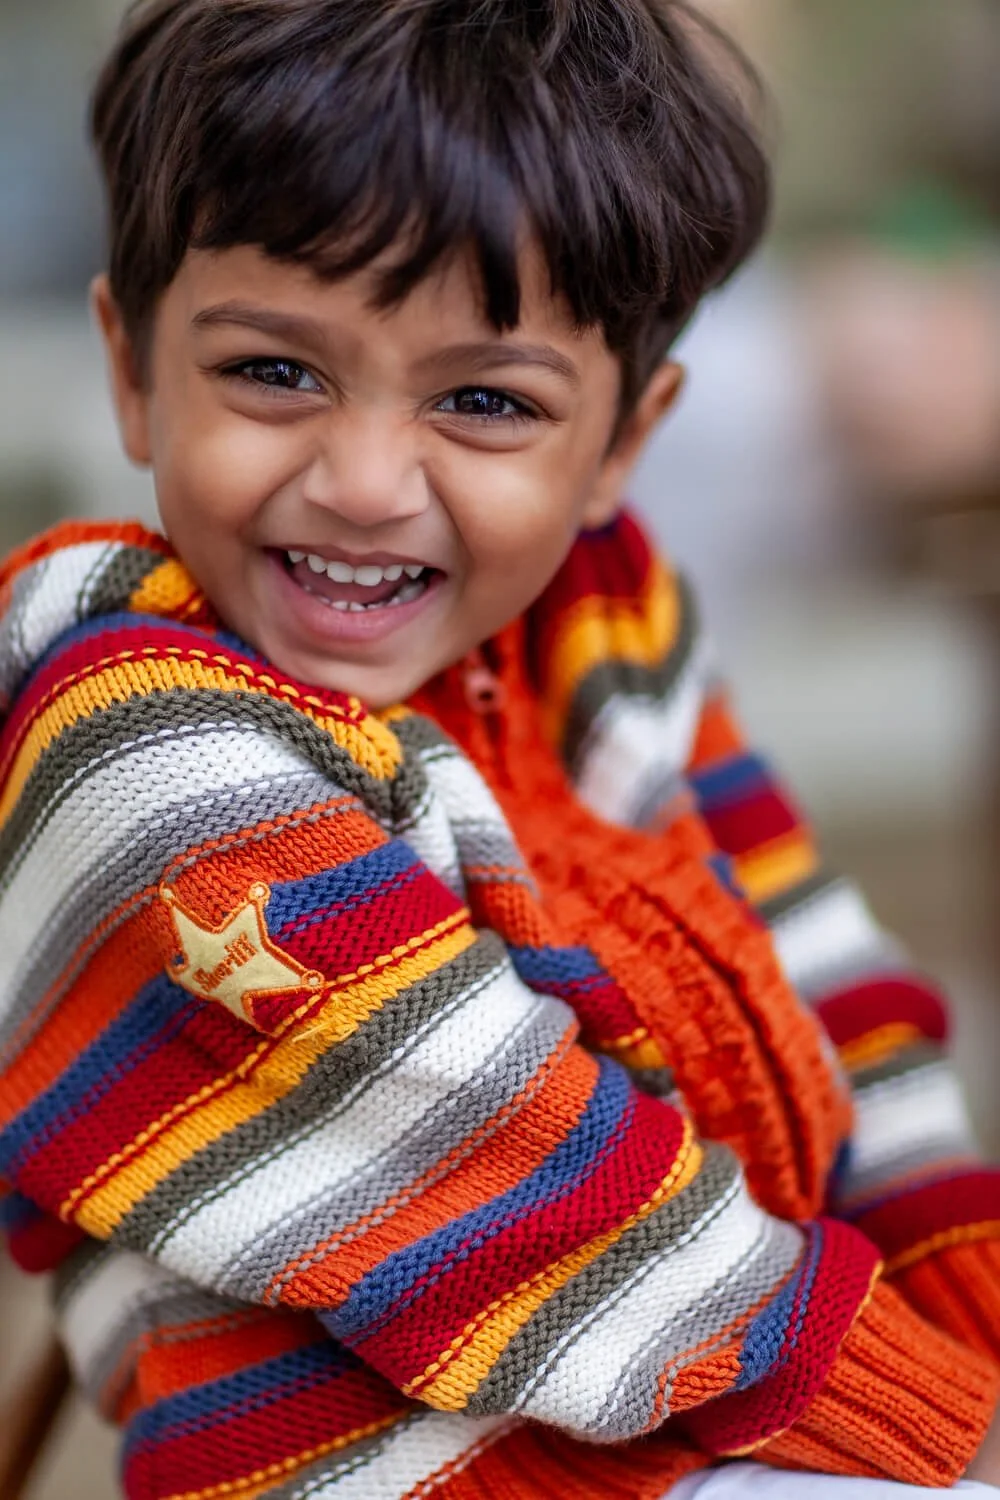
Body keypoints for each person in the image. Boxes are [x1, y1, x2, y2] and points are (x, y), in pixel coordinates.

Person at [1, 2, 999, 1496]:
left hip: (732, 1397)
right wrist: (958, 1422)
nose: (361, 482)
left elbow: (821, 966)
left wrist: (960, 1278)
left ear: (619, 446)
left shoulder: (609, 622)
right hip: (432, 1465)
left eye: (483, 400)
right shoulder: (140, 747)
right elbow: (532, 1183)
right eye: (275, 371)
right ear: (134, 372)